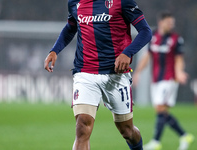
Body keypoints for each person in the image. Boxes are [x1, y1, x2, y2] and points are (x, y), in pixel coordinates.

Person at [44, 0, 152, 149]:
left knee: (127, 131)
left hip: (115, 74)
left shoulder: (122, 2)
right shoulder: (75, 2)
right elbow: (71, 27)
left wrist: (127, 53)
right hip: (85, 72)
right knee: (82, 127)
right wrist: (55, 50)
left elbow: (145, 31)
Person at [133, 11, 194, 150]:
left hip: (169, 79)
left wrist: (179, 72)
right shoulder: (153, 37)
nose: (171, 25)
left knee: (160, 108)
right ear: (161, 22)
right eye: (168, 22)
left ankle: (156, 142)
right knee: (161, 111)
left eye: (172, 23)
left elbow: (179, 59)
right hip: (156, 79)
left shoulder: (176, 39)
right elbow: (146, 57)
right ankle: (184, 136)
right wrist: (137, 73)